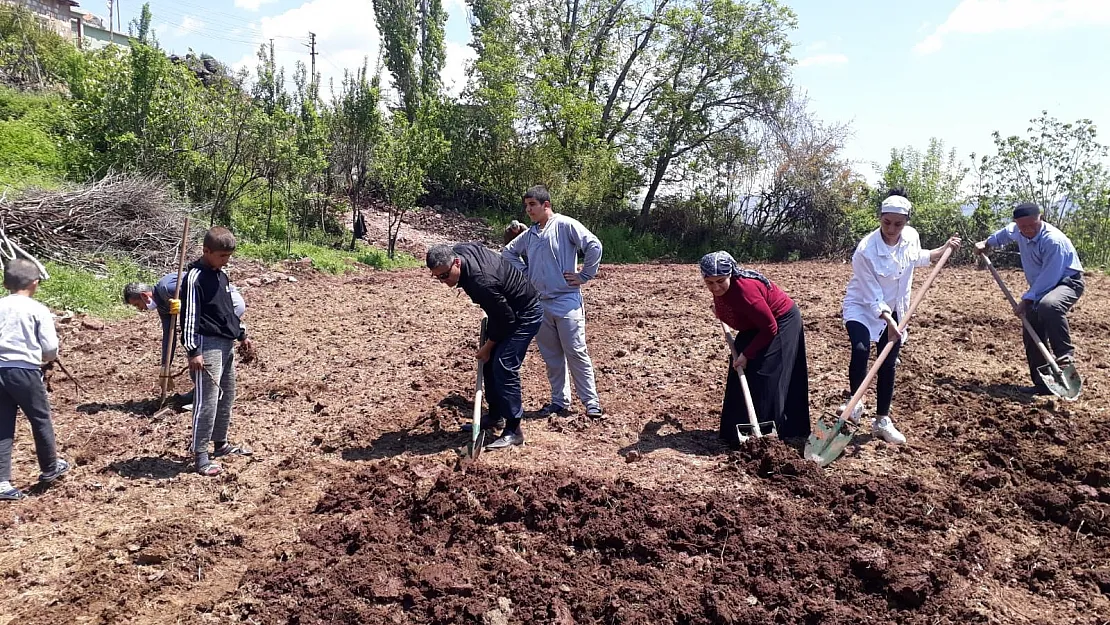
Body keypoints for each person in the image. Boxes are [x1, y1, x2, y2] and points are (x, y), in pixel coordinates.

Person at [842, 190, 960, 444]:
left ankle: (882, 420)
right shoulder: (865, 251)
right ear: (879, 218)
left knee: (888, 363)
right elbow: (872, 293)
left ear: (906, 221)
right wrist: (889, 320)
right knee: (861, 349)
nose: (892, 229)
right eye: (887, 222)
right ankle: (856, 402)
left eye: (898, 223)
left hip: (897, 308)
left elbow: (916, 258)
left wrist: (943, 249)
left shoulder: (910, 237)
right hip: (862, 305)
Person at [427, 242, 543, 450]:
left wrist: (487, 347)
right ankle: (495, 416)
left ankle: (514, 430)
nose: (444, 282)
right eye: (437, 278)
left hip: (524, 314)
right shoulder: (459, 252)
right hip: (503, 309)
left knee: (503, 365)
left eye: (445, 275)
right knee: (489, 367)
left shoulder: (481, 282)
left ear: (456, 262)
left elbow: (506, 320)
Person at [502, 186, 604, 419]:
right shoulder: (529, 235)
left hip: (566, 300)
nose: (528, 210)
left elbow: (593, 245)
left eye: (532, 205)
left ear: (546, 205)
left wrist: (584, 275)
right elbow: (507, 253)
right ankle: (559, 401)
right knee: (552, 357)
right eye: (526, 205)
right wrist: (526, 273)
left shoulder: (565, 225)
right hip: (540, 303)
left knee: (576, 352)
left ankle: (591, 403)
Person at [701, 251, 811, 447]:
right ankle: (736, 431)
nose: (715, 287)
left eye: (720, 281)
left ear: (730, 275)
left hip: (781, 320)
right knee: (739, 370)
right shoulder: (724, 291)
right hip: (756, 325)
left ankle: (771, 436)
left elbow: (770, 328)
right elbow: (740, 315)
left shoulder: (745, 292)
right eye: (710, 282)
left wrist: (746, 354)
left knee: (765, 374)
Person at [975, 202, 1084, 394]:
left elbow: (1050, 277)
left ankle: (1065, 355)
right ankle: (1042, 385)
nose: (1027, 230)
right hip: (1041, 286)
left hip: (1067, 282)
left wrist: (1026, 300)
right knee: (1031, 326)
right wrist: (987, 243)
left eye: (1032, 225)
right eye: (1022, 226)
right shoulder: (1017, 230)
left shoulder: (1053, 241)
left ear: (1040, 219)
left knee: (1049, 306)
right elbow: (1004, 234)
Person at [180, 227, 254, 476]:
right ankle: (200, 455)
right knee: (206, 400)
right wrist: (193, 350)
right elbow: (189, 315)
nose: (226, 261)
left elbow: (227, 311)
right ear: (206, 251)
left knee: (227, 394)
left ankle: (220, 444)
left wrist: (241, 333)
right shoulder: (194, 278)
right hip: (206, 345)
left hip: (226, 344)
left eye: (229, 256)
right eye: (222, 256)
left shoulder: (222, 276)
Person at [0, 259, 70, 500]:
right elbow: (50, 348)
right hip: (25, 371)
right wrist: (45, 358)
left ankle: (2, 483)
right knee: (40, 418)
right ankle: (50, 467)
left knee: (2, 425)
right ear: (34, 283)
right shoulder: (37, 309)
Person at [123, 274, 246, 405]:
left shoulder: (168, 289)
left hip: (226, 302)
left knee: (203, 350)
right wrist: (165, 366)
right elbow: (169, 336)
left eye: (137, 305)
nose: (140, 309)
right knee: (195, 351)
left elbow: (206, 295)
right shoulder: (163, 305)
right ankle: (201, 393)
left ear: (144, 296)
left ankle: (206, 398)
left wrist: (185, 305)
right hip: (213, 312)